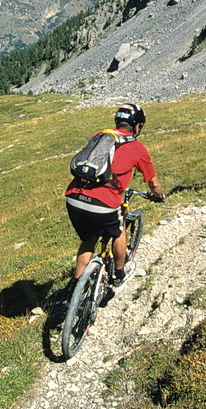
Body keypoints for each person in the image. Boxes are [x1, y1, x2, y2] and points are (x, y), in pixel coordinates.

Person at [65, 103, 164, 286]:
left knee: (89, 239)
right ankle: (119, 274)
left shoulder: (101, 135)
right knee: (119, 232)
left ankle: (74, 288)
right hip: (103, 202)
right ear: (137, 126)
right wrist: (158, 196)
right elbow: (154, 183)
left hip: (74, 197)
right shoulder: (138, 148)